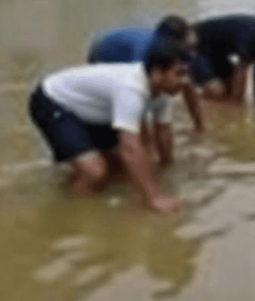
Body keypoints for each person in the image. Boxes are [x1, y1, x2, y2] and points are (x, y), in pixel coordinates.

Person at [28, 38, 189, 213]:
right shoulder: (131, 89)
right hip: (54, 100)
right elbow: (130, 148)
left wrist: (166, 170)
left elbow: (162, 133)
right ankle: (70, 214)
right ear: (157, 73)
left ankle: (71, 179)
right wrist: (153, 199)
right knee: (94, 172)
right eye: (179, 74)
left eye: (187, 74)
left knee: (119, 170)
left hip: (95, 109)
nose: (185, 81)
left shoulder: (164, 93)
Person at [87, 15, 205, 133]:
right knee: (128, 103)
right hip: (102, 51)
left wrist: (199, 125)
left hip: (123, 42)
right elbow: (135, 91)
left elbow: (187, 84)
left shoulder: (178, 48)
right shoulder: (143, 52)